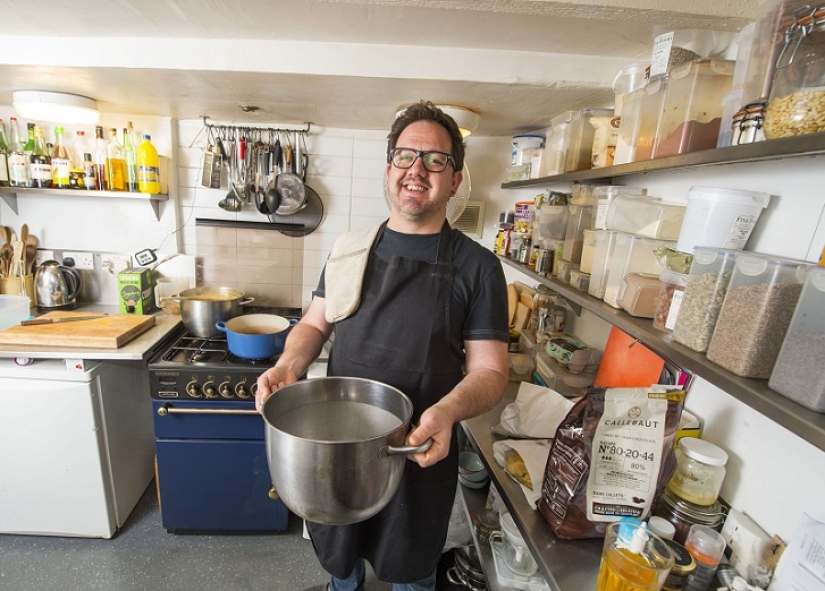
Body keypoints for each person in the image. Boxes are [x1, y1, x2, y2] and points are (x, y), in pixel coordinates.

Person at [255, 101, 510, 591]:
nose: (418, 169)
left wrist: (449, 412)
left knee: (412, 572)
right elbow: (313, 325)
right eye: (405, 156)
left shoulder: (479, 268)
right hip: (339, 445)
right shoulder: (350, 248)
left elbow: (491, 372)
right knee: (340, 562)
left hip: (418, 448)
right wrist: (290, 364)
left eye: (436, 160)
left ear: (455, 179)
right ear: (389, 168)